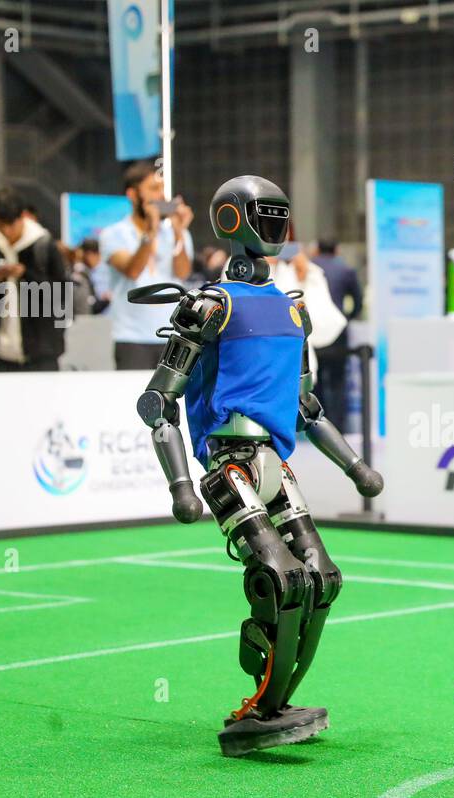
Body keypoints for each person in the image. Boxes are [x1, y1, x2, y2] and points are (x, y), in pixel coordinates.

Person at [130, 174, 382, 756]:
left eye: (279, 215)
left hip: (273, 460)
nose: (274, 226)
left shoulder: (293, 310)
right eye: (262, 215)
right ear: (232, 221)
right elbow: (157, 404)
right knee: (276, 573)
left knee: (321, 576)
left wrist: (355, 468)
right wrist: (180, 486)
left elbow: (305, 406)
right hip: (229, 463)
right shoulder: (210, 307)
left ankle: (277, 703)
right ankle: (261, 707)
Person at [98, 160, 194, 369]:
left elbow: (183, 272)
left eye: (162, 189)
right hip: (131, 338)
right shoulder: (113, 234)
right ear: (133, 195)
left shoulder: (176, 233)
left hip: (173, 335)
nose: (160, 195)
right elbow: (133, 270)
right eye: (153, 189)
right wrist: (150, 232)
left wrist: (179, 231)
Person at [0, 186, 70, 372]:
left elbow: (63, 297)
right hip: (1, 353)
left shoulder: (43, 245)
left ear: (22, 217)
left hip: (42, 352)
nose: (6, 231)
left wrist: (26, 275)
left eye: (10, 224)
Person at [268, 239, 346, 394]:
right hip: (262, 362)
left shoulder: (307, 271)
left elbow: (321, 320)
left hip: (296, 360)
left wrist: (304, 273)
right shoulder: (245, 266)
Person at [310, 238, 363, 431]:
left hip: (312, 331)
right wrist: (347, 318)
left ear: (316, 249)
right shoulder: (346, 270)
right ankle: (337, 426)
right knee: (338, 380)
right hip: (337, 333)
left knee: (315, 381)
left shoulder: (307, 268)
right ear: (337, 249)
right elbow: (358, 301)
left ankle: (316, 424)